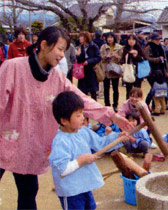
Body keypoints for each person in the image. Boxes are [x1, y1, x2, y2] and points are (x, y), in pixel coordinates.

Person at [0, 26, 132, 210]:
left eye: (65, 50)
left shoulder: (57, 77)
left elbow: (81, 100)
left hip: (26, 146)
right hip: (4, 138)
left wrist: (112, 116)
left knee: (28, 191)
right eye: (60, 49)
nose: (63, 55)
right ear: (44, 45)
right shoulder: (13, 67)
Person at [49, 91, 129, 210]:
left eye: (82, 113)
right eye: (78, 115)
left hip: (84, 186)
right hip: (71, 191)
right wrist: (81, 160)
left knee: (90, 207)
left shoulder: (83, 131)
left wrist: (117, 138)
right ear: (64, 120)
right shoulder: (60, 141)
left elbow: (101, 144)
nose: (82, 118)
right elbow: (62, 169)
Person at [144, 32, 168, 110]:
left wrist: (166, 70)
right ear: (152, 40)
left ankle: (154, 106)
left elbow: (165, 60)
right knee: (154, 88)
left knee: (157, 89)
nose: (158, 41)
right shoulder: (148, 48)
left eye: (159, 39)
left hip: (160, 71)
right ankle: (146, 104)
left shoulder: (161, 47)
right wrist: (157, 59)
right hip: (151, 71)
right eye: (157, 39)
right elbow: (146, 58)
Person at [100, 32, 123, 112]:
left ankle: (115, 105)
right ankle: (107, 104)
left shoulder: (119, 47)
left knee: (115, 88)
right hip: (106, 70)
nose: (109, 39)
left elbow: (122, 59)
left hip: (115, 71)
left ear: (114, 38)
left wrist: (117, 57)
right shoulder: (103, 47)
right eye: (108, 37)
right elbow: (100, 58)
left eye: (111, 37)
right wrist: (106, 57)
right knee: (106, 88)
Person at [76, 31, 101, 100]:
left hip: (91, 70)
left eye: (81, 37)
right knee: (82, 91)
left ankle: (94, 106)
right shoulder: (80, 47)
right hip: (83, 71)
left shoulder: (93, 46)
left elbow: (98, 57)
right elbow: (79, 60)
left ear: (86, 38)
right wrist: (78, 55)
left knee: (93, 91)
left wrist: (89, 61)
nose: (80, 38)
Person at [120, 34, 145, 99]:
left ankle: (138, 106)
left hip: (137, 72)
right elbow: (122, 60)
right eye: (129, 39)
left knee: (138, 90)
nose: (131, 41)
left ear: (136, 41)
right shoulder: (125, 49)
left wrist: (136, 56)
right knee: (128, 90)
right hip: (128, 71)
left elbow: (143, 59)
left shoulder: (139, 49)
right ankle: (128, 106)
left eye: (133, 39)